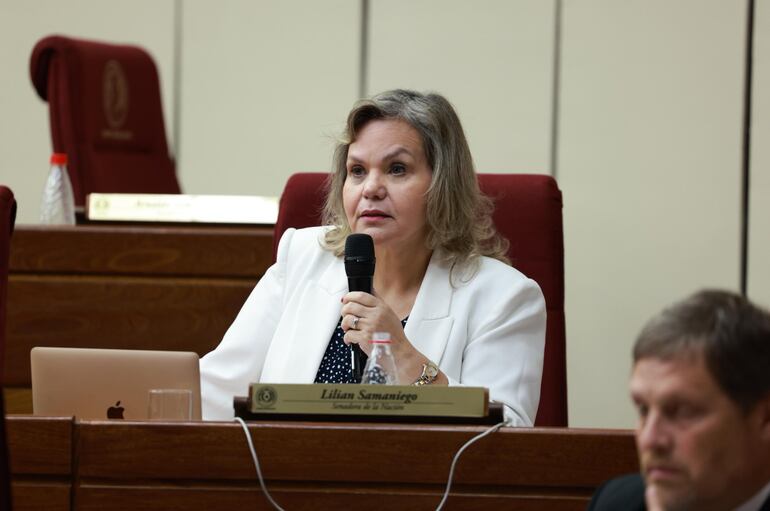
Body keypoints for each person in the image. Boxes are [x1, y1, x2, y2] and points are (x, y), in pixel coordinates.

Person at [200, 89, 546, 425]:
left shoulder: (503, 297)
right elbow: (217, 389)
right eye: (357, 171)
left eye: (397, 169)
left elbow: (506, 437)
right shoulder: (303, 257)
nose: (371, 188)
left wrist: (403, 355)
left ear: (442, 184)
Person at [588, 290, 770, 511]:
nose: (650, 439)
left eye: (682, 412)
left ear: (764, 418)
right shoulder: (616, 503)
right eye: (644, 410)